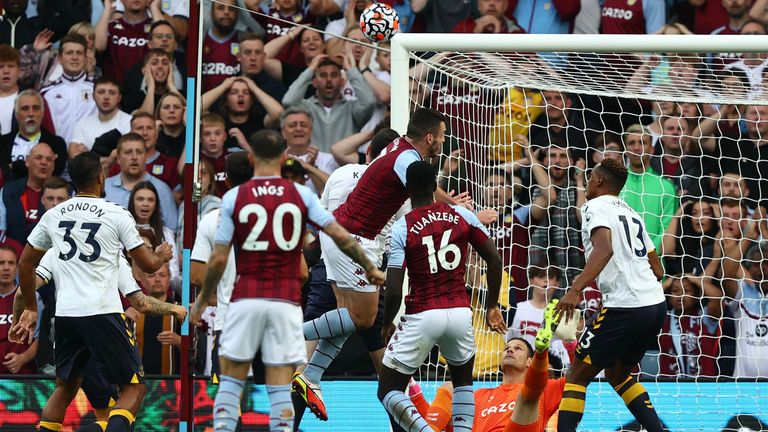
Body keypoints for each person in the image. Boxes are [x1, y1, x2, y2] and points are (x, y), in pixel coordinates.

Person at [188, 129, 385, 432]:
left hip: (244, 303)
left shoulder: (234, 198)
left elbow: (217, 260)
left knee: (230, 388)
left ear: (252, 158)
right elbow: (338, 234)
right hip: (283, 305)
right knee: (281, 390)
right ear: (283, 158)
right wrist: (367, 266)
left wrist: (201, 302)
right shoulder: (300, 195)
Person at [294, 108, 475, 422]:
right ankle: (288, 334)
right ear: (430, 137)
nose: (443, 141)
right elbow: (423, 192)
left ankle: (310, 376)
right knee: (362, 319)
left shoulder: (395, 149)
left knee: (348, 318)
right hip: (355, 237)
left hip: (340, 234)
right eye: (442, 136)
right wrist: (458, 217)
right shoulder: (407, 159)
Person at [11, 150, 174, 432]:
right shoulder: (115, 213)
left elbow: (25, 265)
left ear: (73, 181)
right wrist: (161, 254)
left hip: (65, 317)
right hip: (103, 313)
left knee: (65, 386)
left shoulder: (53, 214)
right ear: (101, 177)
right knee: (133, 389)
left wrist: (31, 308)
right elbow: (147, 266)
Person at [378, 160, 506, 432]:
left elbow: (393, 286)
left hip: (423, 313)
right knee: (462, 383)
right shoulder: (463, 215)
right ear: (436, 186)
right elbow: (494, 260)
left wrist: (388, 321)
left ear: (407, 189)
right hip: (460, 312)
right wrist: (492, 305)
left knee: (387, 390)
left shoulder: (403, 226)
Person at [554, 158, 666, 432]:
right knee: (618, 374)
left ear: (599, 180)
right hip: (655, 305)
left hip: (625, 307)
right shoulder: (631, 211)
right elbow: (658, 268)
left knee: (577, 375)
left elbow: (604, 250)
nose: (589, 182)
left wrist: (574, 290)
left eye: (590, 177)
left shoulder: (593, 206)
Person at [411, 333, 565, 432]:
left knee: (528, 397)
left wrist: (571, 345)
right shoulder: (479, 395)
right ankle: (409, 383)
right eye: (506, 348)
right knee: (451, 388)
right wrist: (410, 387)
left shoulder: (546, 388)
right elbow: (432, 416)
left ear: (530, 362)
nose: (510, 351)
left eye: (518, 349)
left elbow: (577, 379)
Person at [281, 55, 376, 153]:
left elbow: (369, 102)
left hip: (343, 166)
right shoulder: (305, 108)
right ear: (314, 82)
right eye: (323, 75)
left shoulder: (352, 109)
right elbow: (288, 102)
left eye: (334, 75)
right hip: (312, 165)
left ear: (342, 81)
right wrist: (311, 69)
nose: (329, 80)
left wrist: (350, 69)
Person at [105, 133, 178, 231]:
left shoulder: (161, 188)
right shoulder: (104, 187)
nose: (134, 157)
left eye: (139, 152)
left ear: (146, 156)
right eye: (128, 152)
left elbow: (171, 230)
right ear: (118, 158)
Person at [39, 33, 97, 144]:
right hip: (57, 156)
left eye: (79, 53)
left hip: (89, 156)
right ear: (60, 58)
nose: (74, 57)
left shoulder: (98, 91)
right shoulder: (47, 93)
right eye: (69, 53)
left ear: (85, 58)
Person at [0, 89, 68, 179]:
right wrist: (36, 167)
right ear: (16, 114)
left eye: (35, 108)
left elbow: (53, 174)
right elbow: (3, 174)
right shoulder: (2, 143)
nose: (31, 114)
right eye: (25, 108)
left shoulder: (57, 144)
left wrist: (15, 166)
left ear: (43, 113)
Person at [0, 143, 56, 245]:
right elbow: (1, 233)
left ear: (53, 166)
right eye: (38, 158)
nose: (44, 162)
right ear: (27, 161)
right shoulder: (7, 192)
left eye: (48, 159)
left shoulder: (65, 194)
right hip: (15, 255)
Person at [69, 77, 132, 157]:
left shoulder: (129, 122)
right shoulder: (83, 123)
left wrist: (88, 156)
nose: (106, 97)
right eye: (101, 92)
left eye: (112, 93)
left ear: (119, 98)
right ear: (93, 96)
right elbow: (73, 150)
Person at [0, 246, 39, 375]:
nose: (6, 268)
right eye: (1, 263)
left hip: (24, 381)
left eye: (11, 263)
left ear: (17, 268)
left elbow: (39, 339)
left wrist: (22, 358)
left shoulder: (32, 297)